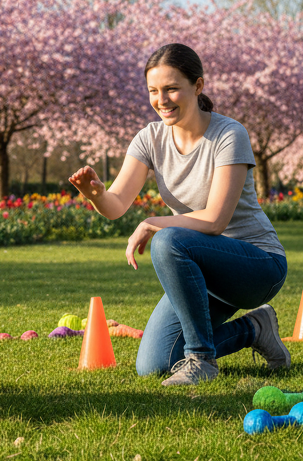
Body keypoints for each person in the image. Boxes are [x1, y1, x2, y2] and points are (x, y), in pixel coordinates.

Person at [69, 43, 291, 387]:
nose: (162, 100)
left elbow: (216, 220)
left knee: (168, 240)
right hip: (202, 272)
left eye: (172, 89)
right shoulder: (150, 138)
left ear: (198, 86)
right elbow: (115, 206)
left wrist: (155, 222)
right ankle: (255, 328)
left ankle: (201, 360)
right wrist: (95, 193)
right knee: (155, 365)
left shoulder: (229, 135)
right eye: (153, 91)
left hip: (257, 265)